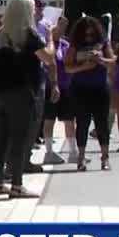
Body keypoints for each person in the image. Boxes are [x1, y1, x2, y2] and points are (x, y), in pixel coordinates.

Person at [0, 0, 55, 198]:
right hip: (22, 90)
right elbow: (48, 58)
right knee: (20, 138)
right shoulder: (29, 33)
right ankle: (16, 185)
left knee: (1, 137)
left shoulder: (2, 33)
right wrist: (50, 38)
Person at [65, 15, 115, 170]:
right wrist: (83, 67)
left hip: (100, 87)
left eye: (92, 33)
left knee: (102, 123)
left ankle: (105, 158)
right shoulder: (75, 45)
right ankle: (81, 158)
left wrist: (101, 60)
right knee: (82, 123)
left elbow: (113, 61)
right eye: (86, 34)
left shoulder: (103, 43)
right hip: (80, 88)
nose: (89, 36)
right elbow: (67, 67)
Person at [40, 16, 76, 163]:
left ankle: (73, 152)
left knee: (69, 120)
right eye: (60, 25)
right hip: (50, 87)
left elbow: (71, 63)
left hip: (66, 87)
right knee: (49, 120)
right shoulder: (46, 44)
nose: (62, 29)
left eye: (64, 26)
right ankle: (49, 152)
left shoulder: (66, 45)